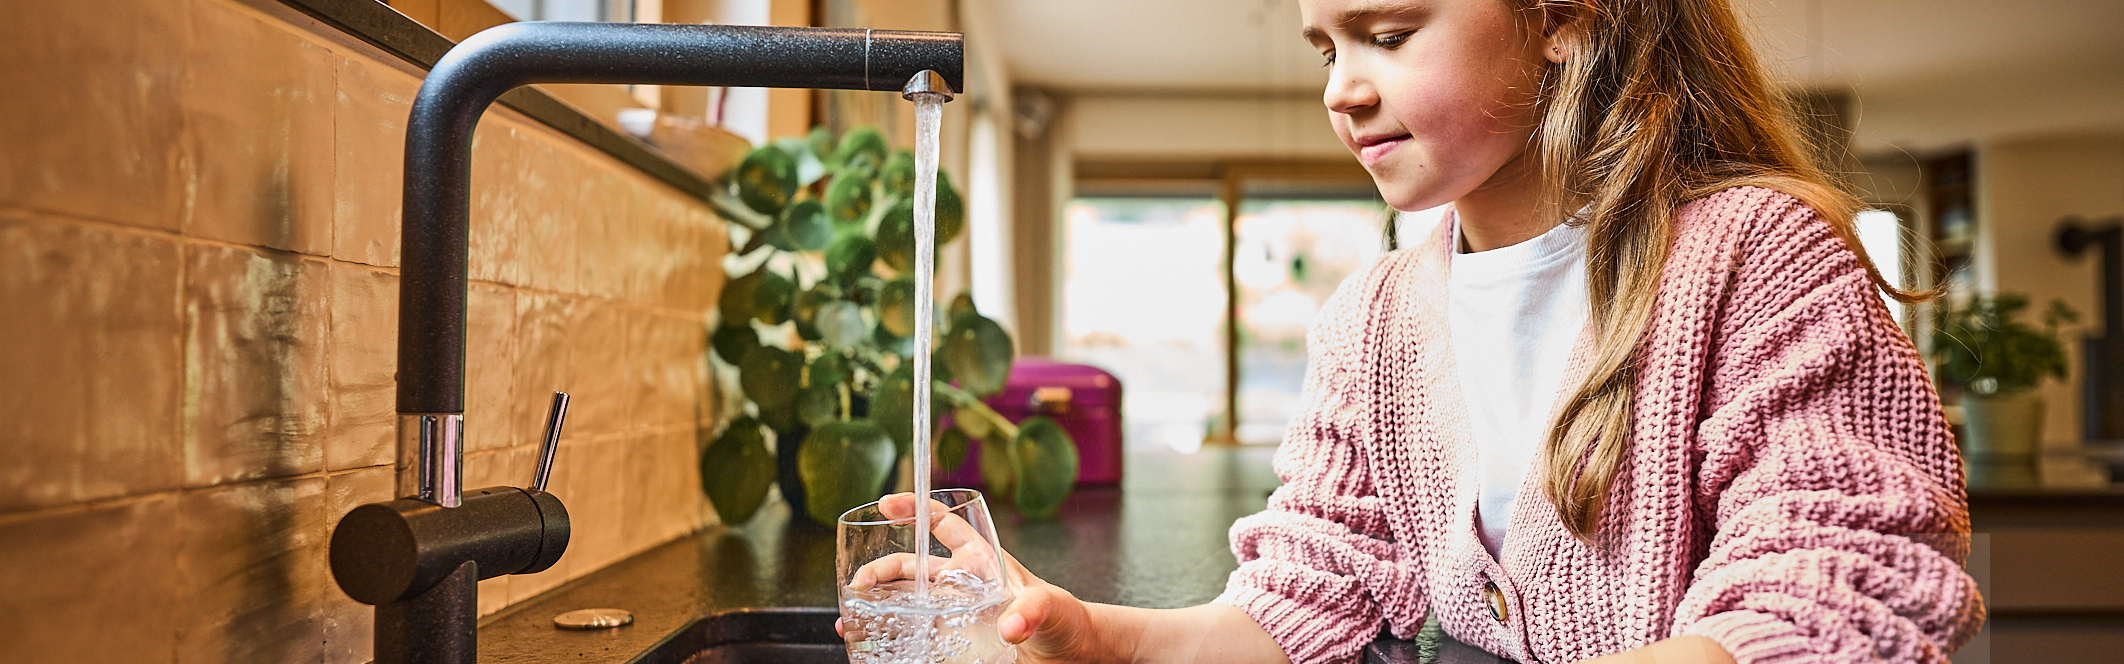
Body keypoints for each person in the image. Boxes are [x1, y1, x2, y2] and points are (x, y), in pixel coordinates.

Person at [880, 0, 1986, 662]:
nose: (1344, 90)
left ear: (1560, 17)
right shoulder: (1375, 319)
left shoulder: (1756, 253)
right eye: (1326, 48)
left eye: (1391, 33)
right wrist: (1097, 633)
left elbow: (1836, 580)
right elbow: (1302, 597)